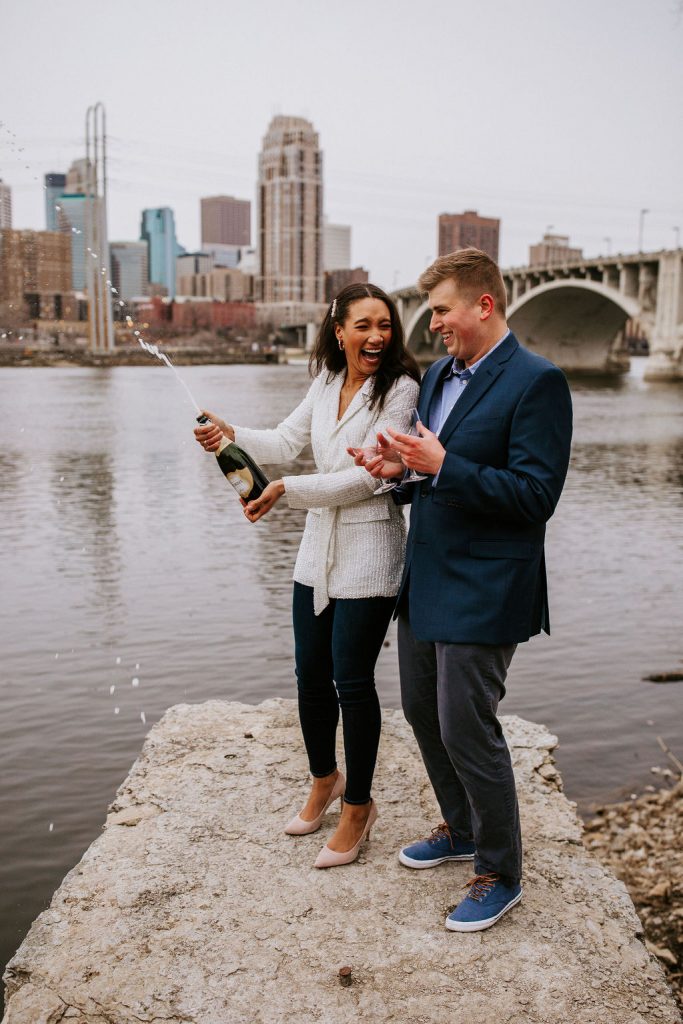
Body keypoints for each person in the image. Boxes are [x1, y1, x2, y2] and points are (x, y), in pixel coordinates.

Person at [358, 248, 572, 930]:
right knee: (422, 713)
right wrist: (397, 469)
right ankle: (462, 829)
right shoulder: (439, 380)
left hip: (487, 584)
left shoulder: (537, 382)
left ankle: (500, 873)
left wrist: (444, 465)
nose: (434, 323)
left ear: (483, 305)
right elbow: (431, 475)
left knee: (465, 725)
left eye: (443, 310)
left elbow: (535, 496)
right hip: (426, 577)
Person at [194, 283, 420, 868]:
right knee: (309, 676)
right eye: (363, 326)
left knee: (352, 680)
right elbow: (287, 441)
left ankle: (359, 808)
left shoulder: (400, 389)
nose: (376, 336)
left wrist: (287, 489)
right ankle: (325, 780)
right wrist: (231, 434)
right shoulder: (323, 382)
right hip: (316, 549)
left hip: (371, 550)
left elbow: (369, 479)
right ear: (338, 331)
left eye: (385, 325)